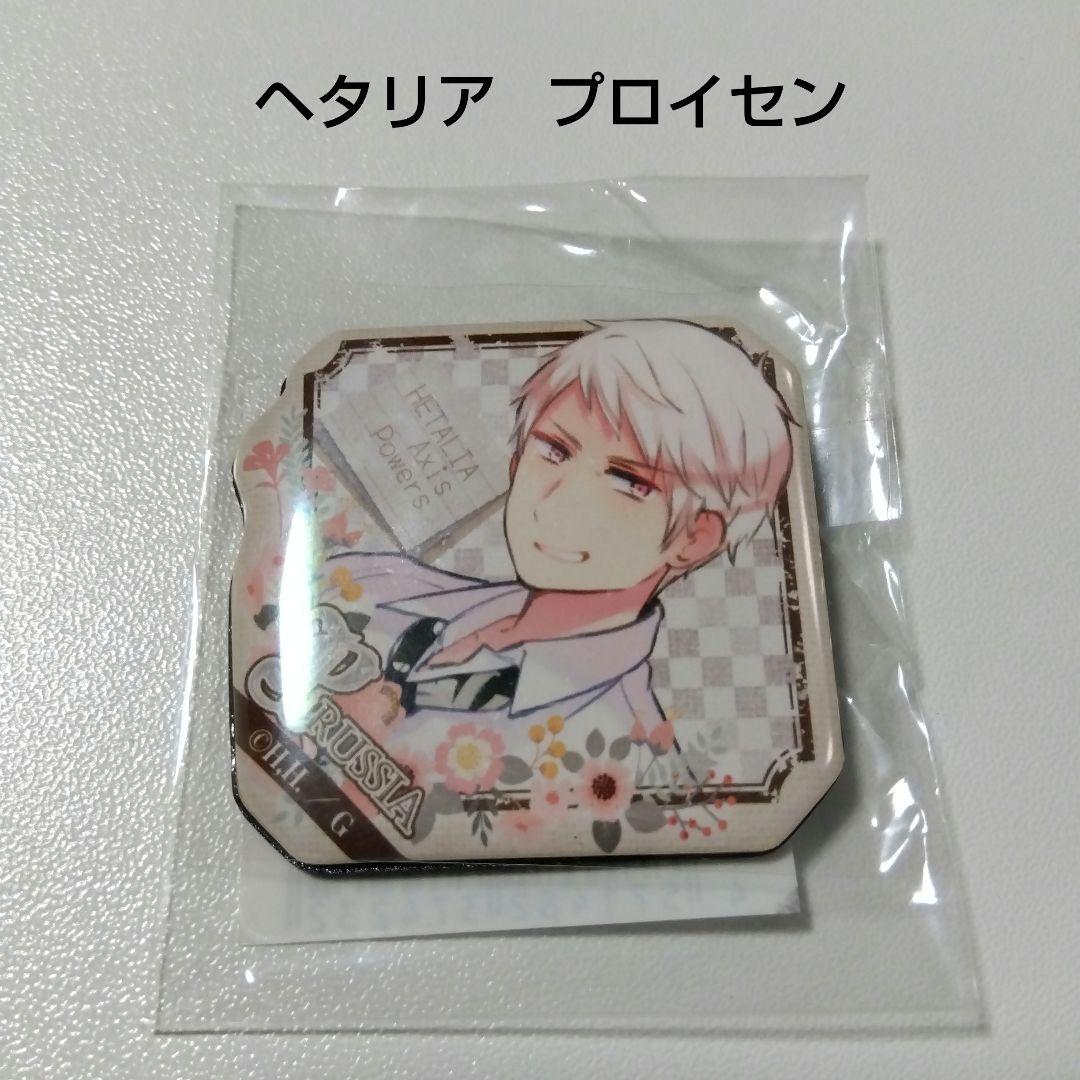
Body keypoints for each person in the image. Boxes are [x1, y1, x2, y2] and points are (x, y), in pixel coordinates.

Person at [327, 319, 795, 751]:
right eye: (554, 450)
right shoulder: (372, 583)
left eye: (629, 482)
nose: (559, 501)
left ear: (694, 538)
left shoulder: (628, 755)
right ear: (516, 462)